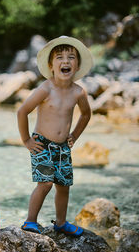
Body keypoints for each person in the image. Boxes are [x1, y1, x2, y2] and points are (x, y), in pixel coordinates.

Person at [17, 36, 93, 236]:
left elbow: (86, 114)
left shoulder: (78, 92)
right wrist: (26, 140)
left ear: (77, 66)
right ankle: (30, 221)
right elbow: (22, 111)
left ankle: (60, 223)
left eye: (71, 57)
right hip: (41, 143)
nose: (65, 61)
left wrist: (74, 135)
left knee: (63, 185)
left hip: (62, 147)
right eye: (59, 57)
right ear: (51, 65)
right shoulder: (45, 88)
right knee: (45, 183)